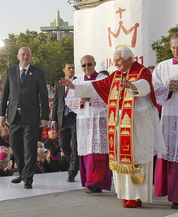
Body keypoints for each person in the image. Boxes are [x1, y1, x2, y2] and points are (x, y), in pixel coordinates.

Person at [59, 46, 166, 208]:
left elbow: (145, 85)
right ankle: (126, 193)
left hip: (138, 125)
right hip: (120, 124)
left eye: (118, 60)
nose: (115, 64)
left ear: (129, 59)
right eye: (114, 60)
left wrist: (133, 86)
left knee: (136, 157)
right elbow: (97, 86)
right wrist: (75, 87)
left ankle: (137, 195)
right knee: (121, 157)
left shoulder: (141, 71)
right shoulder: (116, 76)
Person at [0, 46, 49, 189]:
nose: (25, 57)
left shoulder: (38, 72)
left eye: (28, 55)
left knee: (30, 148)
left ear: (31, 57)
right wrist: (2, 114)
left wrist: (45, 116)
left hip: (31, 117)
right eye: (23, 55)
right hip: (14, 117)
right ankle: (22, 172)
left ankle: (28, 178)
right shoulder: (10, 71)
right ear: (18, 56)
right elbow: (5, 95)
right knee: (16, 147)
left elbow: (44, 96)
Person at [67, 55, 112, 194]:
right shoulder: (77, 81)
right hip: (84, 122)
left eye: (89, 64)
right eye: (84, 65)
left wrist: (91, 98)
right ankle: (90, 183)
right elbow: (69, 100)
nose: (87, 67)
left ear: (95, 64)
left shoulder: (103, 79)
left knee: (98, 154)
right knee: (87, 153)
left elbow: (110, 98)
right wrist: (80, 100)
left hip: (99, 121)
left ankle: (94, 183)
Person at [153, 32, 178, 209]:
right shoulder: (162, 67)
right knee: (170, 154)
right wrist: (167, 89)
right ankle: (174, 196)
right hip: (169, 116)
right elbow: (154, 90)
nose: (176, 51)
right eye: (174, 47)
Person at [51, 60, 79, 182]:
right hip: (62, 117)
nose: (71, 70)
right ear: (64, 70)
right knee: (63, 144)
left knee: (75, 146)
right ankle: (75, 165)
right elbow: (56, 102)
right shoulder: (59, 84)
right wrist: (53, 120)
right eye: (69, 68)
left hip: (75, 116)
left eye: (73, 68)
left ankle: (72, 172)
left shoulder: (79, 81)